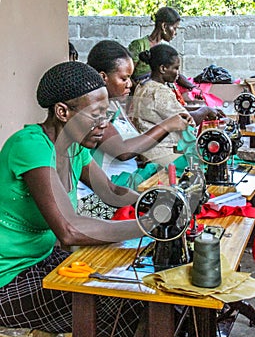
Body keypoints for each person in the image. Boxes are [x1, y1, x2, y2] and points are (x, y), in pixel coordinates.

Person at [0, 61, 148, 337]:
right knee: (116, 304)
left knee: (132, 286)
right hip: (7, 280)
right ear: (62, 112)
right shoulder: (29, 146)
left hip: (41, 261)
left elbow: (111, 191)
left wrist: (156, 201)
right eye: (96, 114)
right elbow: (69, 229)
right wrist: (147, 225)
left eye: (106, 113)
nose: (104, 123)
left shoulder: (74, 146)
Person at [77, 40, 194, 218]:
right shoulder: (92, 113)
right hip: (97, 195)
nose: (130, 83)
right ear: (103, 77)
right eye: (124, 78)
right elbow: (123, 151)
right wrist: (167, 125)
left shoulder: (113, 107)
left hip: (119, 184)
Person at [132, 44, 225, 167]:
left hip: (149, 152)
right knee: (210, 164)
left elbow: (171, 110)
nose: (178, 73)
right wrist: (205, 110)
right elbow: (186, 120)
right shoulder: (159, 91)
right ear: (163, 68)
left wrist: (202, 110)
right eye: (175, 68)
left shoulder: (143, 85)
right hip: (164, 156)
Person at [128, 6, 195, 91]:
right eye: (174, 28)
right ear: (164, 26)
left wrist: (193, 87)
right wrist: (141, 90)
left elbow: (176, 75)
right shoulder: (139, 45)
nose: (175, 33)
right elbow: (127, 76)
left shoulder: (163, 49)